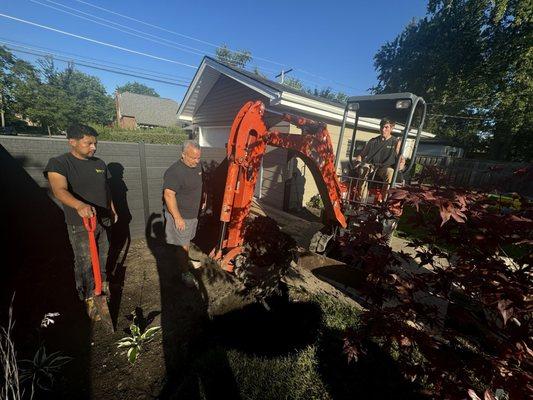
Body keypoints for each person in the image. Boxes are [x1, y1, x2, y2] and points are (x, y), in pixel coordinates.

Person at [44, 124, 117, 319]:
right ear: (72, 142)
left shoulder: (100, 164)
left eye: (95, 143)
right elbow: (59, 189)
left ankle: (101, 287)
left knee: (104, 255)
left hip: (102, 220)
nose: (94, 147)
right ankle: (88, 297)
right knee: (85, 261)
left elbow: (106, 189)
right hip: (80, 223)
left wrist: (111, 208)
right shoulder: (59, 163)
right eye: (88, 143)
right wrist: (79, 205)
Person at [162, 140, 204, 288]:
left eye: (198, 157)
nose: (197, 161)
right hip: (181, 215)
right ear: (183, 154)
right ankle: (184, 272)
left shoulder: (197, 166)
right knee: (183, 245)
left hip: (192, 214)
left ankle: (184, 259)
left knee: (186, 242)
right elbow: (168, 195)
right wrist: (177, 218)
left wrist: (203, 200)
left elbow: (198, 184)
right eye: (193, 157)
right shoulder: (175, 171)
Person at [354, 118, 404, 200]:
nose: (383, 129)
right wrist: (358, 160)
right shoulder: (372, 141)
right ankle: (362, 200)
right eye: (381, 127)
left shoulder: (395, 142)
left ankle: (384, 200)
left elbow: (401, 158)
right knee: (363, 169)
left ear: (391, 128)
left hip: (385, 168)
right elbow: (362, 155)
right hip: (372, 166)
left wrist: (401, 164)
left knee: (390, 172)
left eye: (386, 127)